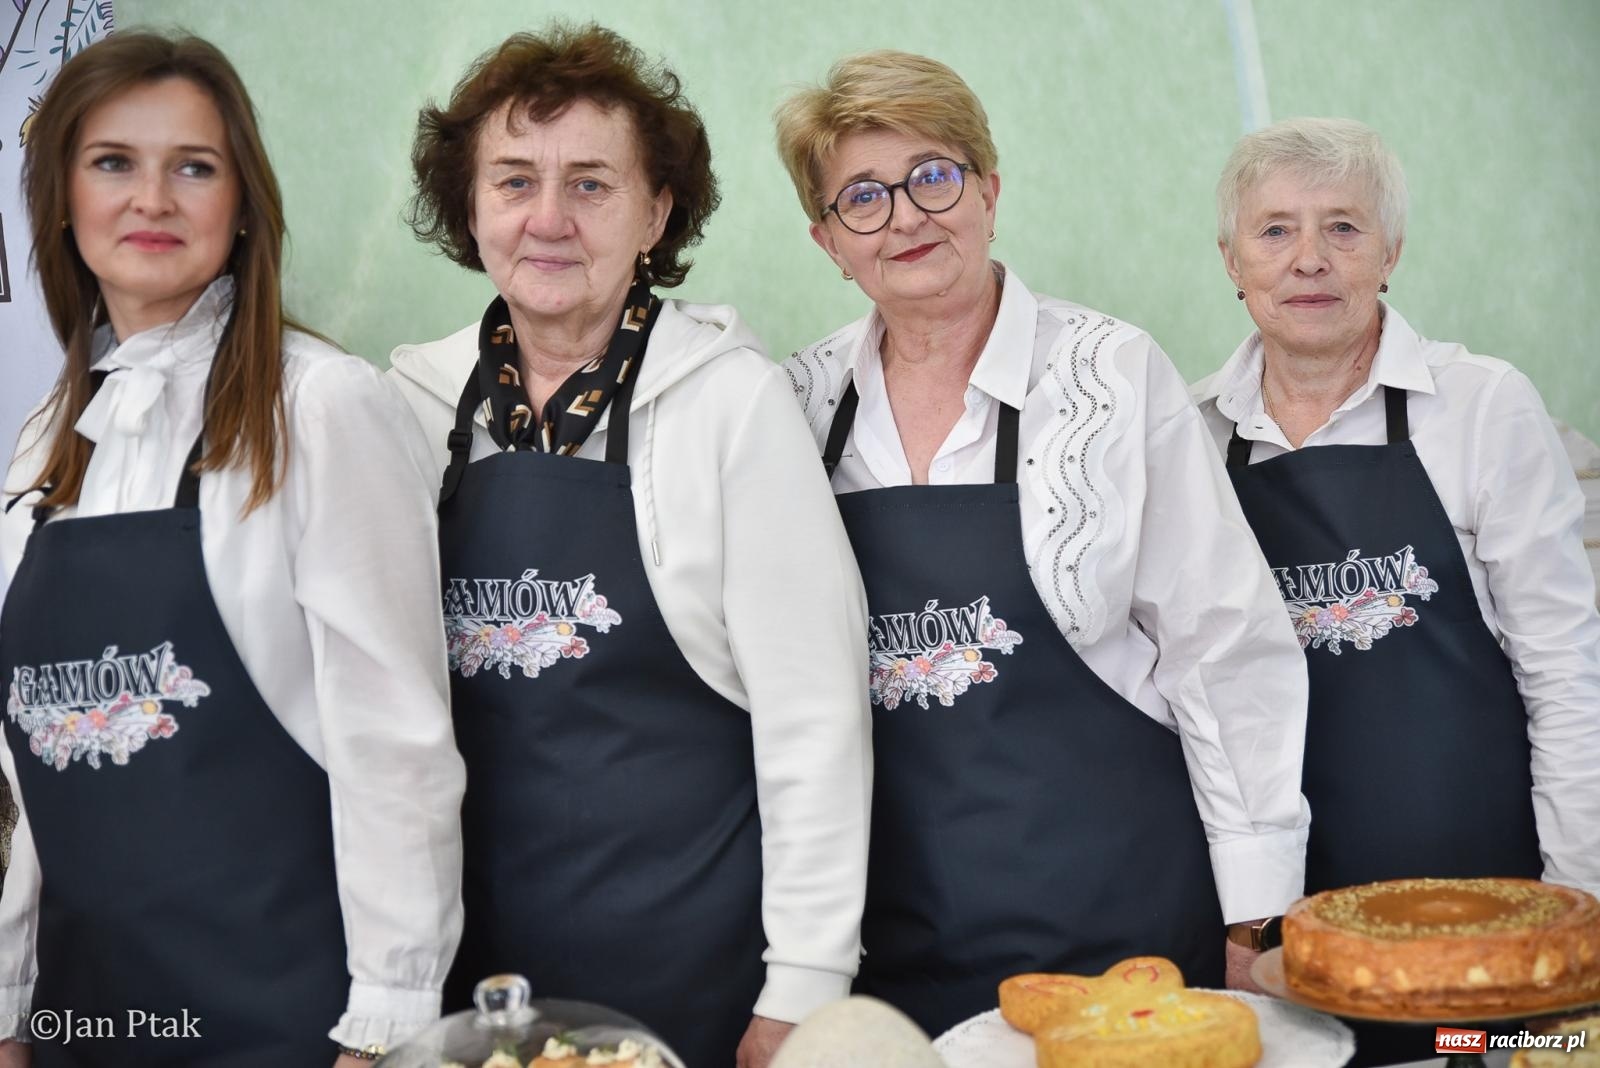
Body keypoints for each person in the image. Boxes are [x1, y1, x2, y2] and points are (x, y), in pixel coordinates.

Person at [774, 50, 1309, 1039]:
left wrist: (1255, 903)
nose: (904, 216)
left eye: (932, 175)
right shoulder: (794, 408)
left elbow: (1221, 643)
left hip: (1124, 935)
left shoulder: (1109, 372)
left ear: (987, 189)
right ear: (826, 240)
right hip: (894, 951)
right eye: (862, 197)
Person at [388, 24, 870, 1068]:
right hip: (471, 977)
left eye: (592, 185)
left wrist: (804, 984)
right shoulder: (406, 408)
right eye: (514, 181)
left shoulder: (728, 400)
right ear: (472, 211)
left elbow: (814, 717)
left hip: (699, 965)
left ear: (655, 211)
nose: (549, 218)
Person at [0, 33, 464, 1068]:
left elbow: (396, 750)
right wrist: (9, 1006)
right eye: (113, 162)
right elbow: (32, 779)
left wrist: (388, 1024)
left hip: (285, 1025)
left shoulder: (321, 408)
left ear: (243, 202)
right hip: (87, 1023)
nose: (151, 199)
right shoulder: (42, 444)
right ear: (61, 199)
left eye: (193, 167)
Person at [1194, 117, 1600, 1066]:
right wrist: (1240, 921)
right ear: (1231, 259)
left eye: (1343, 227)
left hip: (1500, 924)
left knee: (1476, 1055)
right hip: (1299, 929)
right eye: (1276, 230)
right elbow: (1194, 697)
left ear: (1391, 251)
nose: (1309, 260)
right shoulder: (1196, 436)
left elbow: (1567, 675)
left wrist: (1579, 912)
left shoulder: (1484, 406)